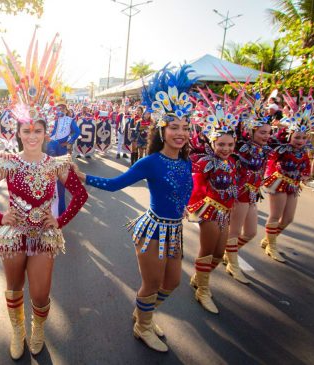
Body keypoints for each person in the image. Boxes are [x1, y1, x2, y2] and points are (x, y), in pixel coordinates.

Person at [0, 32, 88, 359]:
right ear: (18, 132)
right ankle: (18, 330)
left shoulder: (56, 164)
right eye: (27, 130)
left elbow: (79, 196)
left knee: (40, 293)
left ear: (46, 132)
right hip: (11, 233)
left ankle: (37, 329)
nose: (33, 136)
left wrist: (59, 220)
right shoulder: (6, 161)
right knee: (13, 288)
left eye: (38, 130)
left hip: (43, 235)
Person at [74, 65, 197, 352]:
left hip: (174, 231)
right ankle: (142, 326)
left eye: (185, 127)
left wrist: (188, 208)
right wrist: (84, 177)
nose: (180, 133)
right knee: (152, 283)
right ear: (162, 130)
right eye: (174, 127)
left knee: (173, 283)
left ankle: (144, 313)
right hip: (152, 230)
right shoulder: (150, 161)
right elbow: (116, 184)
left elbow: (182, 192)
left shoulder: (186, 161)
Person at [186, 89, 241, 314]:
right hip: (208, 209)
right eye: (221, 144)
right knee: (207, 251)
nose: (226, 149)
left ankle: (199, 276)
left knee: (219, 254)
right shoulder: (204, 161)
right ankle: (203, 290)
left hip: (225, 212)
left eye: (230, 144)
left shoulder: (232, 162)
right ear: (212, 142)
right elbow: (194, 183)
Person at [261, 90, 314, 262]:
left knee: (288, 218)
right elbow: (268, 154)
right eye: (297, 137)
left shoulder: (304, 151)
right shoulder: (281, 147)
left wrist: (306, 175)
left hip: (294, 184)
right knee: (275, 216)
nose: (300, 140)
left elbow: (306, 165)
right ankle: (271, 245)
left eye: (304, 138)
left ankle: (270, 237)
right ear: (290, 135)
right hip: (279, 182)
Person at [225, 89, 273, 284]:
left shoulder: (264, 149)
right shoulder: (241, 148)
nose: (266, 136)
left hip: (253, 194)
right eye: (262, 132)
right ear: (251, 130)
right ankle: (233, 264)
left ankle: (228, 253)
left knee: (251, 232)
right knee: (234, 232)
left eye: (269, 132)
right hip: (239, 195)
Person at [46, 103, 80, 215]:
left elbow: (77, 132)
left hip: (62, 147)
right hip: (53, 146)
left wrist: (69, 142)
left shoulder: (70, 120)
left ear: (65, 110)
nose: (59, 111)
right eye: (58, 109)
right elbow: (54, 133)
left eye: (61, 109)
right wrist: (47, 137)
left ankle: (61, 210)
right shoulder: (56, 121)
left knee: (61, 176)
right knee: (50, 173)